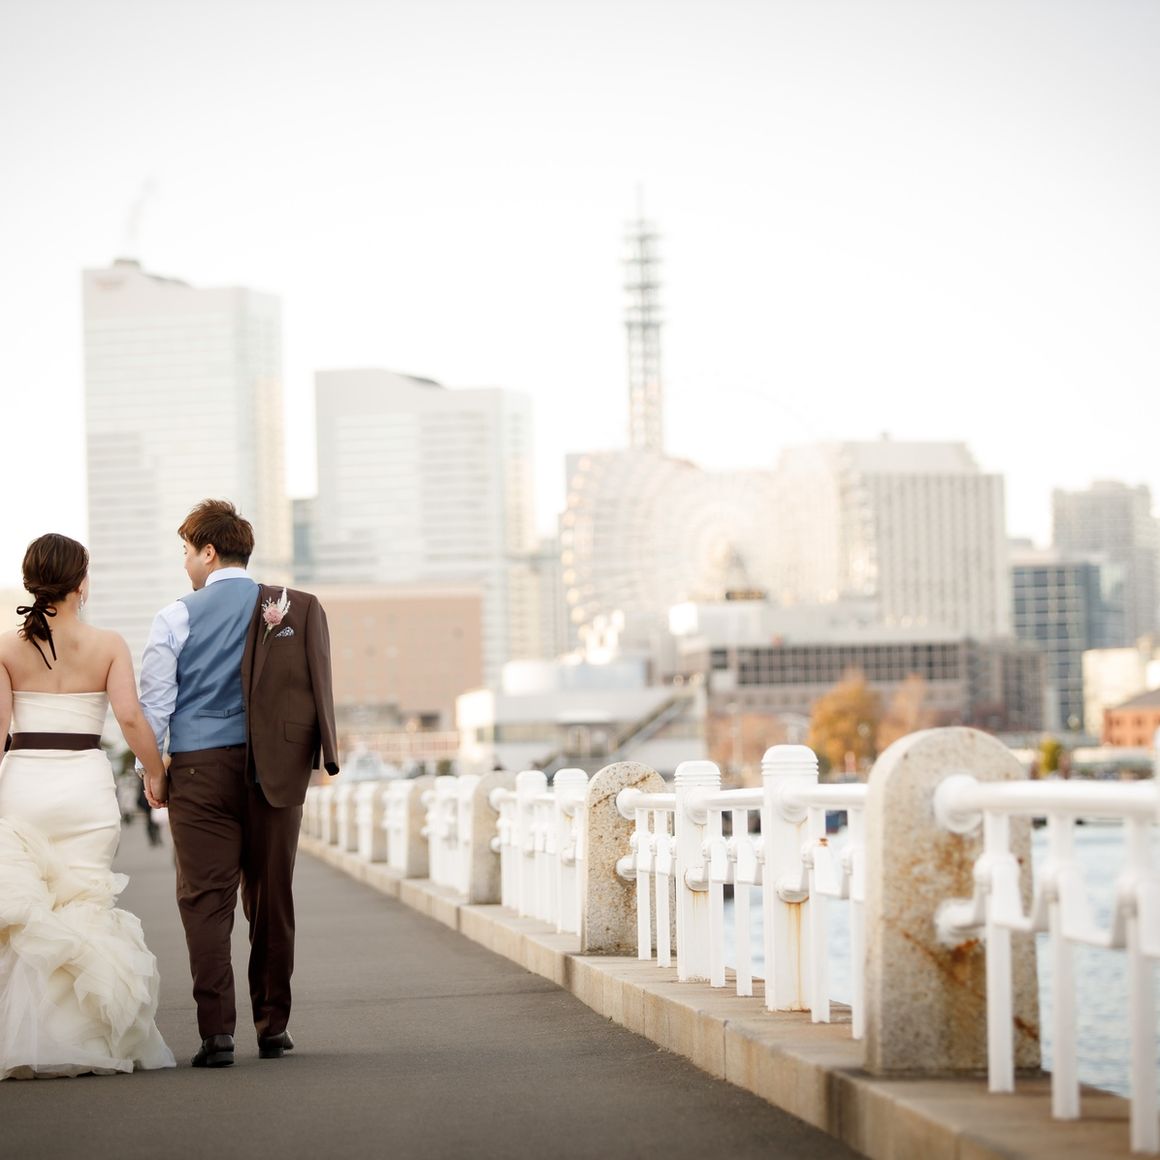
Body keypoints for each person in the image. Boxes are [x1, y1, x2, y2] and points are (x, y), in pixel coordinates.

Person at [139, 499, 338, 1069]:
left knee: (206, 902)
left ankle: (217, 1035)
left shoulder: (174, 617)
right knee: (272, 899)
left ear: (208, 552)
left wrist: (153, 774)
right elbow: (316, 686)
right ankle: (273, 1027)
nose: (184, 564)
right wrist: (317, 758)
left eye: (186, 551)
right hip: (274, 770)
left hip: (197, 771)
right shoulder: (295, 606)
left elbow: (155, 706)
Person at [0, 533, 175, 1080]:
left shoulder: (5, 647)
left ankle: (28, 1042)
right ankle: (86, 1040)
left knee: (30, 915)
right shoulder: (108, 644)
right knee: (83, 905)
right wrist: (156, 772)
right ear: (81, 582)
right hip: (84, 789)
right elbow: (130, 718)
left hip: (24, 787)